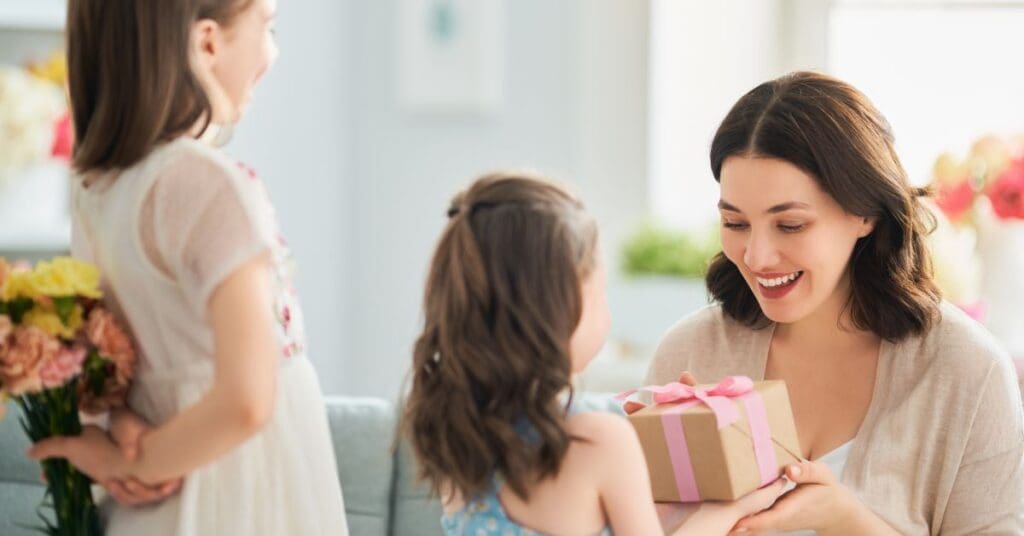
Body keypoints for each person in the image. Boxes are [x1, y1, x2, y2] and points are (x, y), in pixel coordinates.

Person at [647, 71, 1024, 534]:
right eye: (736, 223)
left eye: (790, 226)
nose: (757, 256)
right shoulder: (690, 352)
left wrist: (843, 520)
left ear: (863, 213)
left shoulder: (967, 371)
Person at [28, 1, 348, 533]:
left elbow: (111, 363)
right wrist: (132, 461)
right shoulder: (211, 187)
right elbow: (248, 399)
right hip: (241, 496)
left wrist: (123, 428)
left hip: (152, 506)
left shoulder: (97, 189)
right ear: (206, 43)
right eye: (267, 28)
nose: (273, 53)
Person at [402, 172, 785, 535]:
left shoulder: (457, 432)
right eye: (599, 291)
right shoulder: (597, 439)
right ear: (558, 308)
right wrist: (730, 510)